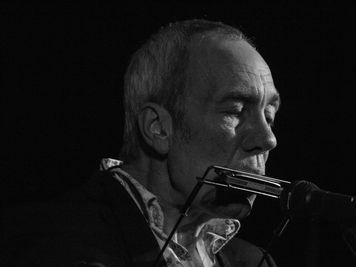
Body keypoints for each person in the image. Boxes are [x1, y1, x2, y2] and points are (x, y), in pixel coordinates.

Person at [3, 19, 280, 266]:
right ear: (158, 128)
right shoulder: (50, 241)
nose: (268, 139)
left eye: (269, 115)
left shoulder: (254, 261)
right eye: (235, 111)